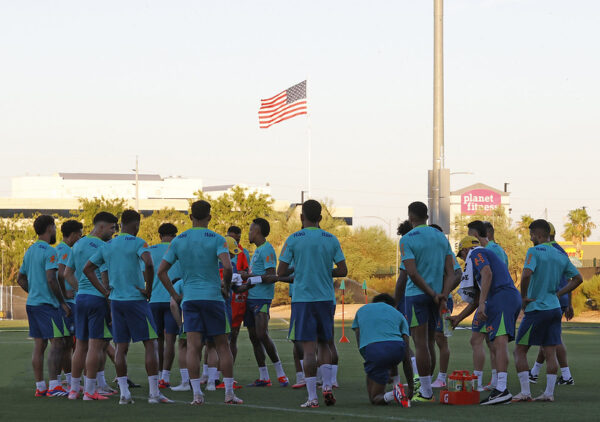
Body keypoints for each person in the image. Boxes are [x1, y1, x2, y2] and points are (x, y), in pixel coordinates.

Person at [157, 200, 242, 405]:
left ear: (190, 216)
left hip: (191, 299)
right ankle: (229, 393)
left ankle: (197, 394)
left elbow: (161, 271)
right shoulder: (217, 238)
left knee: (193, 346)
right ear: (210, 217)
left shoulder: (179, 240)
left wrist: (175, 295)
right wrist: (226, 287)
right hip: (213, 298)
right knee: (222, 346)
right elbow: (228, 268)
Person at [84, 209, 172, 405]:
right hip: (135, 299)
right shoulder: (138, 242)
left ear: (121, 224)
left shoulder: (108, 244)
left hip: (116, 301)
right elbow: (149, 263)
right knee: (151, 343)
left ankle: (124, 394)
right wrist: (148, 289)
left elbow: (87, 268)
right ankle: (154, 393)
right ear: (137, 224)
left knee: (121, 348)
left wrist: (105, 291)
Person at [278, 199, 347, 408]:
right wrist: (325, 271)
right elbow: (343, 270)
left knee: (308, 349)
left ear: (301, 217)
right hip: (325, 298)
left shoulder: (293, 239)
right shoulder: (331, 238)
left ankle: (312, 397)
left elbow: (281, 272)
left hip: (303, 299)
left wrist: (299, 270)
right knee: (326, 343)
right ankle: (326, 386)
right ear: (321, 218)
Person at [513, 219, 582, 402]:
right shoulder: (560, 255)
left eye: (531, 235)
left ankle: (525, 392)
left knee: (520, 350)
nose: (530, 238)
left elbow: (526, 274)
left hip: (537, 307)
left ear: (537, 234)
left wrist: (524, 296)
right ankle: (549, 393)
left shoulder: (534, 251)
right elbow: (577, 278)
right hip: (553, 308)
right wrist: (559, 293)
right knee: (550, 351)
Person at [449, 236, 522, 405]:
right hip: (501, 297)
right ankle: (500, 388)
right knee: (498, 342)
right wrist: (458, 318)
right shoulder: (480, 256)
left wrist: (483, 302)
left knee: (500, 342)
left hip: (501, 297)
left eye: (461, 255)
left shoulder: (477, 253)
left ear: (466, 250)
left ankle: (502, 390)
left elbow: (487, 273)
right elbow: (475, 300)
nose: (462, 259)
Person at [399, 202, 455, 402]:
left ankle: (425, 391)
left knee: (420, 343)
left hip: (417, 295)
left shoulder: (406, 239)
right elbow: (452, 271)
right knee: (431, 341)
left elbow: (411, 273)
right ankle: (427, 387)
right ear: (428, 216)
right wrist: (442, 295)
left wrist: (432, 293)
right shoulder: (440, 236)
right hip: (439, 296)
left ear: (410, 216)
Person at [65, 212, 118, 400]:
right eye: (112, 227)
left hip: (81, 300)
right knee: (95, 346)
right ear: (101, 226)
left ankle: (73, 389)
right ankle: (89, 390)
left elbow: (67, 274)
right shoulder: (103, 246)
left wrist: (81, 289)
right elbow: (105, 277)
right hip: (97, 300)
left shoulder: (78, 244)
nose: (113, 232)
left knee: (80, 346)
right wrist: (107, 297)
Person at [16, 215, 71, 397]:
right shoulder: (50, 251)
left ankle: (40, 387)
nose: (55, 230)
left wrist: (33, 291)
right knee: (59, 343)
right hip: (47, 305)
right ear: (50, 228)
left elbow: (20, 278)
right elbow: (51, 278)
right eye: (54, 227)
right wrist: (62, 302)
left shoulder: (30, 250)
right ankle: (55, 385)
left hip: (33, 304)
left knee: (40, 346)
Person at [243, 218, 289, 387]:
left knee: (262, 334)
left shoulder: (267, 249)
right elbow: (257, 275)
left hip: (261, 298)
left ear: (258, 231)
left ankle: (281, 374)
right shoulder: (257, 251)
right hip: (251, 297)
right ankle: (264, 377)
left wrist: (248, 278)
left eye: (251, 230)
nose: (248, 233)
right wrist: (244, 283)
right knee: (254, 337)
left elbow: (271, 277)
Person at [529, 222, 575, 386]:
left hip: (551, 299)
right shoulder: (560, 250)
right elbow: (571, 277)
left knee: (553, 339)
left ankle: (566, 375)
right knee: (549, 338)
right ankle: (534, 373)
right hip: (557, 299)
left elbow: (572, 278)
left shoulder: (547, 250)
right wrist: (569, 302)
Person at [352, 293, 413, 406]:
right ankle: (397, 387)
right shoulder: (398, 314)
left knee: (375, 399)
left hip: (374, 350)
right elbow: (407, 357)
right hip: (397, 348)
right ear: (392, 305)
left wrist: (369, 357)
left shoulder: (362, 310)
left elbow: (358, 338)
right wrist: (411, 388)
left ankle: (395, 393)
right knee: (373, 397)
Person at [466, 220, 506, 391]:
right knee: (492, 343)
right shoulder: (499, 249)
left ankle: (480, 382)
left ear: (475, 235)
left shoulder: (482, 251)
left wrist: (482, 301)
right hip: (496, 298)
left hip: (489, 300)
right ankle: (495, 380)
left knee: (478, 340)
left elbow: (487, 274)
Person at [148, 223, 182, 390]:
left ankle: (158, 375)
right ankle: (165, 377)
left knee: (156, 341)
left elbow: (144, 274)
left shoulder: (151, 249)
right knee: (171, 340)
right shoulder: (178, 249)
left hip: (153, 300)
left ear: (159, 235)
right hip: (172, 299)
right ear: (174, 235)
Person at [55, 219, 83, 388]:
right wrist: (65, 292)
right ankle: (69, 381)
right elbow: (60, 272)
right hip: (67, 302)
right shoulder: (66, 250)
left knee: (65, 343)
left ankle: (63, 380)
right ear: (73, 235)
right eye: (79, 234)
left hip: (61, 301)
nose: (80, 237)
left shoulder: (57, 248)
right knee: (67, 344)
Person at [225, 226, 250, 363]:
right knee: (215, 340)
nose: (236, 241)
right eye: (233, 238)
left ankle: (228, 376)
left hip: (236, 296)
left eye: (238, 238)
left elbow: (245, 271)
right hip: (220, 299)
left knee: (233, 335)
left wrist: (242, 276)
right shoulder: (217, 253)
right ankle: (209, 375)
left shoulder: (243, 252)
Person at [169, 278, 190, 391]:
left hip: (189, 314)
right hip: (209, 311)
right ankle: (211, 381)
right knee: (211, 346)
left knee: (183, 345)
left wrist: (179, 325)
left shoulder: (181, 282)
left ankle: (186, 382)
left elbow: (173, 304)